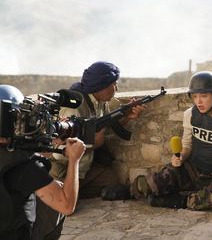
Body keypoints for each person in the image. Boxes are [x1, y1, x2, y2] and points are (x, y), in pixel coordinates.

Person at [131, 71, 212, 216]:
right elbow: (187, 145)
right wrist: (181, 157)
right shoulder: (190, 114)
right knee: (156, 181)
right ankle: (131, 190)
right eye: (195, 96)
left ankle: (178, 200)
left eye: (204, 96)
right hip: (194, 170)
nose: (198, 101)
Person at [0, 84, 86, 239]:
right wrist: (74, 160)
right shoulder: (26, 167)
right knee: (57, 194)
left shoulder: (18, 159)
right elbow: (66, 206)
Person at [50, 61, 145, 200]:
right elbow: (60, 151)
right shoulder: (74, 107)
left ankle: (74, 191)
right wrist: (93, 144)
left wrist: (128, 116)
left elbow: (109, 126)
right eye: (113, 84)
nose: (116, 88)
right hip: (63, 169)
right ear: (101, 86)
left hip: (84, 169)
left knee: (113, 181)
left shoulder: (100, 102)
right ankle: (66, 191)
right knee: (64, 207)